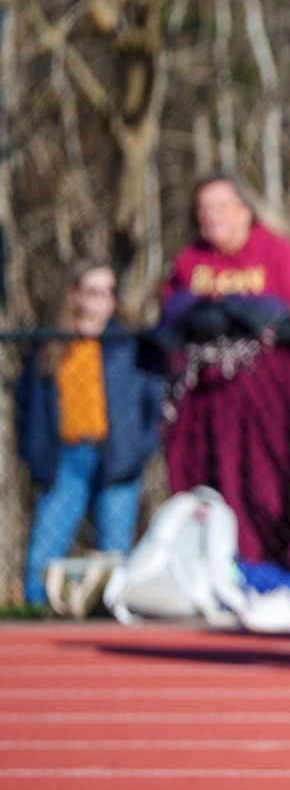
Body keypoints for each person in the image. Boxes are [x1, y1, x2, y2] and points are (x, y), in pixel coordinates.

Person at [158, 175, 290, 586]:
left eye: (221, 206)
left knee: (272, 488)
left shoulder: (278, 253)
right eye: (203, 209)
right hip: (209, 404)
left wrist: (243, 311)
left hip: (272, 402)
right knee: (215, 487)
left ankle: (289, 573)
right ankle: (223, 571)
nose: (211, 216)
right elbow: (170, 319)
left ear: (246, 212)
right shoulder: (189, 262)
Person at [15, 260, 161, 607]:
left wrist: (139, 447)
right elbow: (27, 406)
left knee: (115, 552)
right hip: (66, 460)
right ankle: (36, 610)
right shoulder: (50, 345)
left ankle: (112, 611)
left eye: (109, 292)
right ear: (74, 295)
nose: (102, 300)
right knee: (43, 551)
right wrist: (36, 454)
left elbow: (153, 401)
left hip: (117, 458)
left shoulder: (127, 343)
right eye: (93, 292)